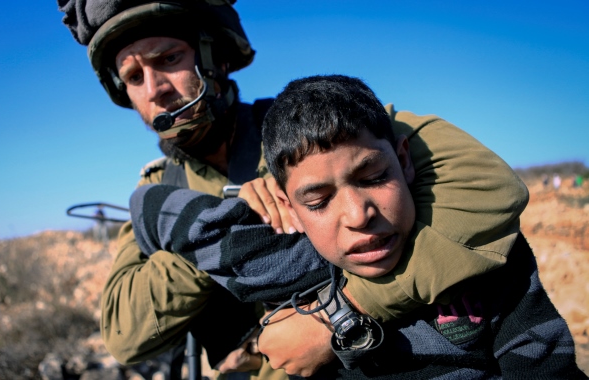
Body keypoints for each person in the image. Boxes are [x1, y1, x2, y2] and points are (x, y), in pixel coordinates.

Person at [58, 0, 529, 378]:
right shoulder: (159, 194)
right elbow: (123, 332)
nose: (155, 87)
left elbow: (484, 185)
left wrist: (342, 314)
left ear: (213, 56)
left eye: (169, 59)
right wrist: (215, 233)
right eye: (134, 77)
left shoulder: (301, 129)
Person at [127, 75, 586, 378]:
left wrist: (339, 314)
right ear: (286, 205)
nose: (357, 214)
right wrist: (245, 198)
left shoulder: (482, 261)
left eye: (373, 177)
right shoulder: (290, 260)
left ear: (404, 161)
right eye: (319, 200)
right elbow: (149, 205)